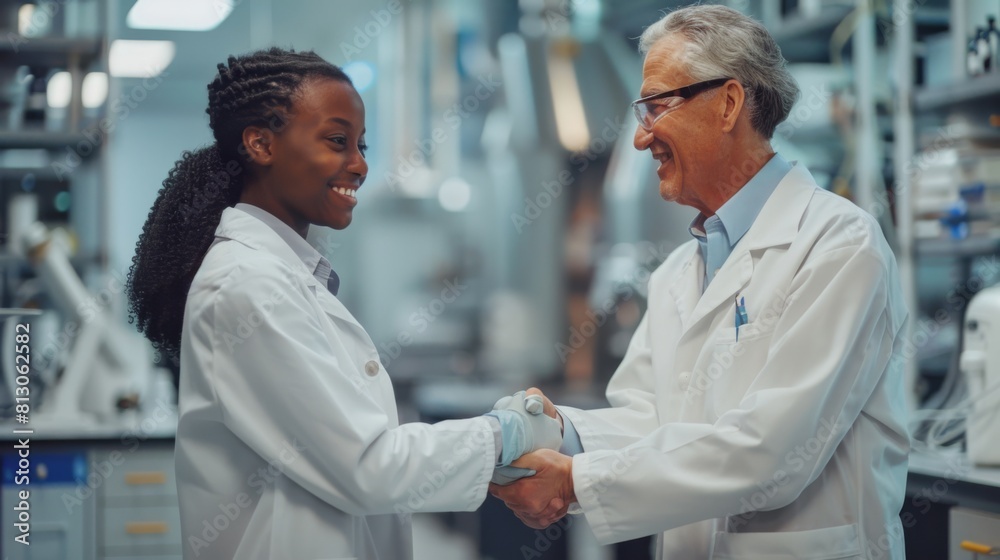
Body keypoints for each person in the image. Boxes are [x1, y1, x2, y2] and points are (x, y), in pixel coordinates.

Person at [490, 5, 910, 559]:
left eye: (656, 107)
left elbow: (771, 454)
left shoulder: (837, 245)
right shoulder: (676, 274)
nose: (642, 140)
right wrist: (562, 433)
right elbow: (652, 420)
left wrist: (574, 481)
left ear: (729, 103)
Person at [125, 47, 560, 560]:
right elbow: (367, 467)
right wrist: (503, 435)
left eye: (360, 144)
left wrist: (494, 444)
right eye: (337, 141)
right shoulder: (246, 284)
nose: (358, 165)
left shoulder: (283, 275)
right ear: (261, 144)